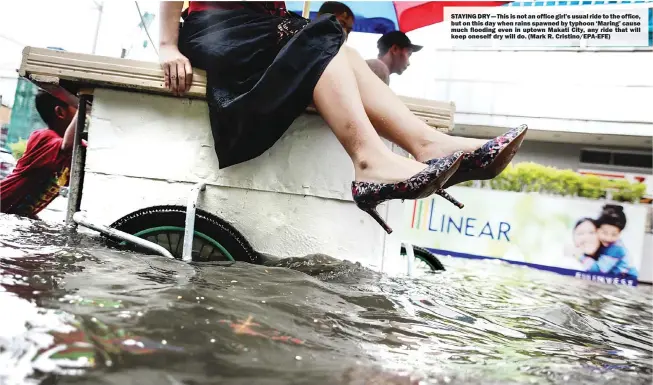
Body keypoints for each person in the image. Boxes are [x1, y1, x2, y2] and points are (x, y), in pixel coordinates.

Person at [158, 1, 527, 233]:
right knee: (324, 36)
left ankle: (427, 144)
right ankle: (370, 161)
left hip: (260, 28)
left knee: (342, 51)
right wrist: (166, 45)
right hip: (222, 30)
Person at [0, 91, 83, 219]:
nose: (83, 115)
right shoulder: (42, 137)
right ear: (60, 112)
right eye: (76, 108)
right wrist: (83, 104)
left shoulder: (71, 150)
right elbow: (67, 144)